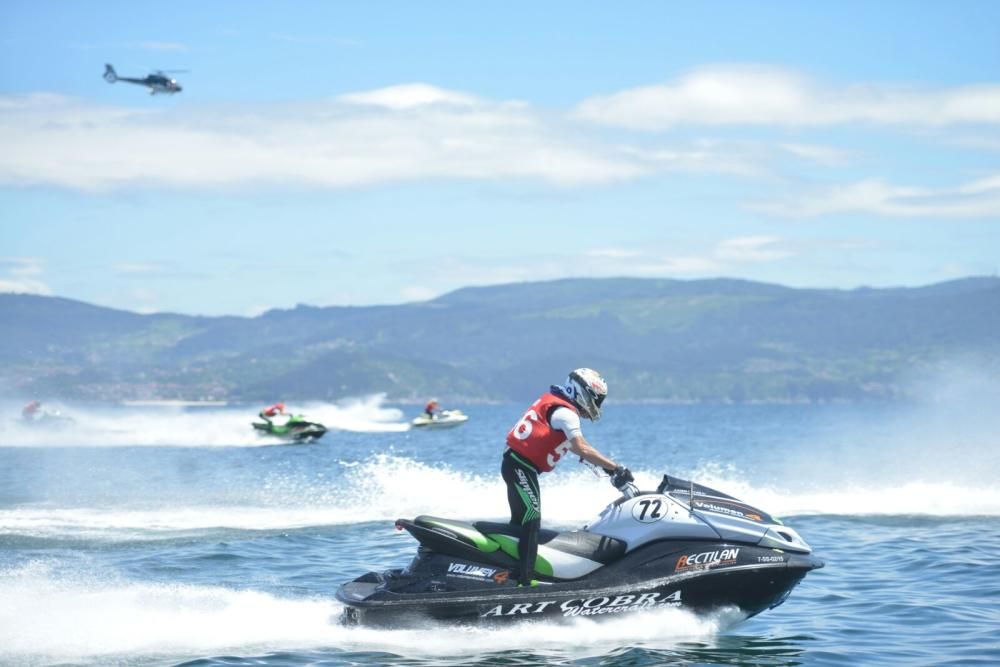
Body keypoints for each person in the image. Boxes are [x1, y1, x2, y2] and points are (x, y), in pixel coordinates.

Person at [502, 368, 633, 587]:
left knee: (521, 521)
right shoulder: (565, 412)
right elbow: (581, 446)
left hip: (517, 465)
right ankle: (524, 581)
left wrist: (606, 468)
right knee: (531, 518)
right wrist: (616, 467)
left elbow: (574, 447)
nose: (595, 406)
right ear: (583, 392)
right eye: (595, 399)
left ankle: (504, 570)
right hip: (519, 467)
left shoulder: (558, 406)